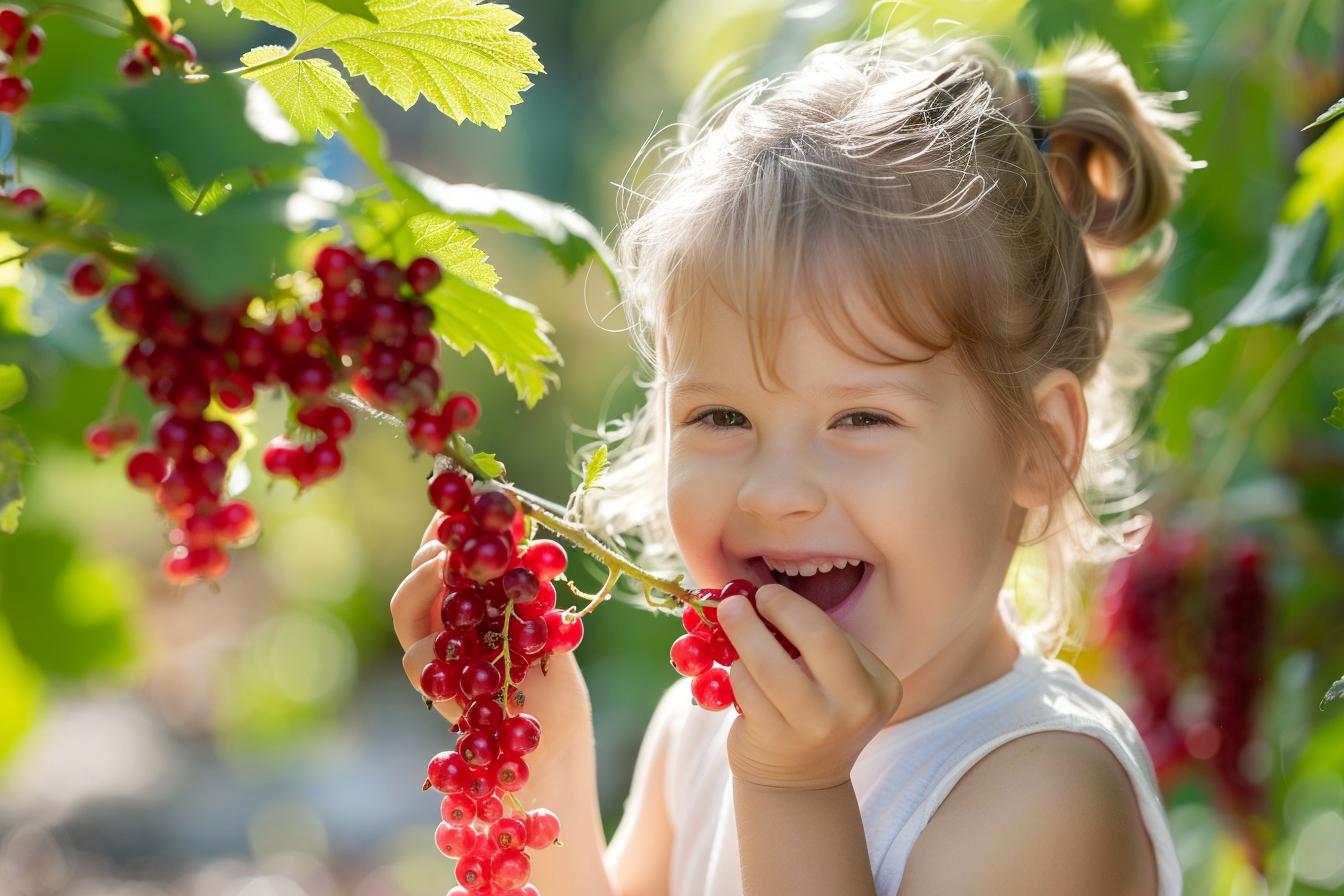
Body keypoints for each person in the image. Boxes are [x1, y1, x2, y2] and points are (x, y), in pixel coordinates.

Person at [391, 27, 1201, 896]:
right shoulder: (700, 731)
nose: (776, 494)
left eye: (860, 417)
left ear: (1040, 449)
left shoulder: (1043, 793)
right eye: (722, 415)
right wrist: (540, 751)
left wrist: (795, 788)